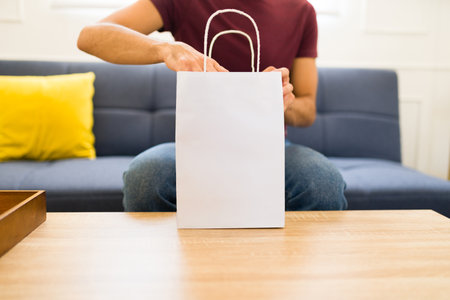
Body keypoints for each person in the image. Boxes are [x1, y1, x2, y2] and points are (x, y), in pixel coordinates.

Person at [77, 0, 347, 212]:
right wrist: (166, 49)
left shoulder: (301, 11)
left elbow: (307, 109)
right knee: (146, 179)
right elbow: (90, 36)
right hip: (196, 143)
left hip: (271, 146)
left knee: (322, 184)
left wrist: (278, 102)